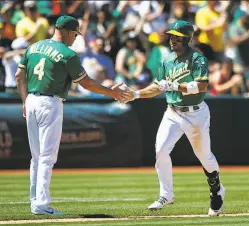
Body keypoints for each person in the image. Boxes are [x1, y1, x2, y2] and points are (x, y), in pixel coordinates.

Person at [15, 15, 129, 216]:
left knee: (36, 157)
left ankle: (35, 200)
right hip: (49, 102)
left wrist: (24, 100)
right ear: (68, 32)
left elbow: (19, 76)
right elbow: (87, 84)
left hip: (31, 100)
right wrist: (112, 92)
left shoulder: (32, 47)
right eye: (75, 34)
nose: (76, 38)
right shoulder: (68, 54)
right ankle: (41, 204)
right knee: (47, 157)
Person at [123, 20, 225, 216]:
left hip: (196, 113)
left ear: (187, 39)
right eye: (171, 36)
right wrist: (135, 94)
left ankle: (217, 189)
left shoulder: (197, 59)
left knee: (205, 156)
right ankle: (166, 194)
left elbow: (202, 86)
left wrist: (174, 86)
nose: (172, 40)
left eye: (177, 37)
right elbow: (158, 86)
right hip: (173, 112)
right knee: (160, 150)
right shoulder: (167, 61)